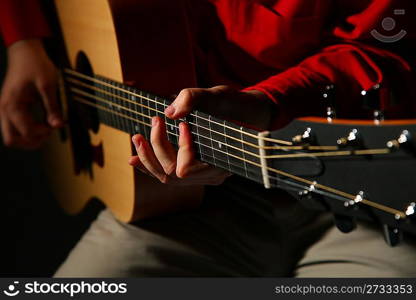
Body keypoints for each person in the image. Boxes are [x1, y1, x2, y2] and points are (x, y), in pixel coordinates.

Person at [1, 0, 416, 277]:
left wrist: (265, 103)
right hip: (182, 204)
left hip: (360, 189)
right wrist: (24, 42)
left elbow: (391, 49)